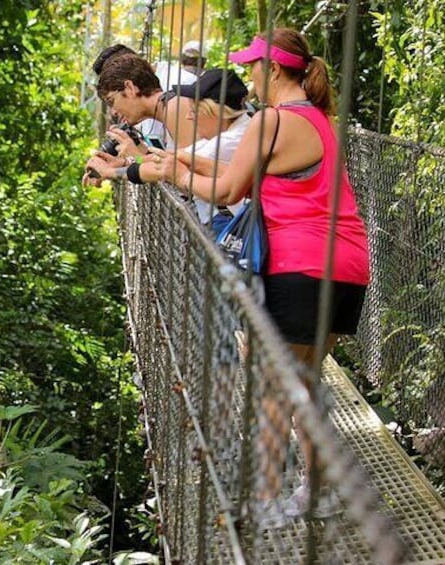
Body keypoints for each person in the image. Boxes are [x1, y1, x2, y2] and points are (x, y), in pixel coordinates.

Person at [152, 28, 370, 525]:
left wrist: (169, 174)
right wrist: (181, 158)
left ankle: (268, 500)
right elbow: (244, 175)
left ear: (273, 69)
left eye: (252, 66)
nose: (248, 76)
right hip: (346, 265)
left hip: (300, 267)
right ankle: (318, 494)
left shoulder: (270, 119)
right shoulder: (315, 118)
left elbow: (228, 192)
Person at [85, 69, 251, 234]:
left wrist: (111, 172)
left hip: (231, 226)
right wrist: (125, 162)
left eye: (194, 110)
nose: (189, 117)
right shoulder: (227, 134)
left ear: (216, 112)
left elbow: (164, 168)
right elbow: (169, 157)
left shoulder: (227, 142)